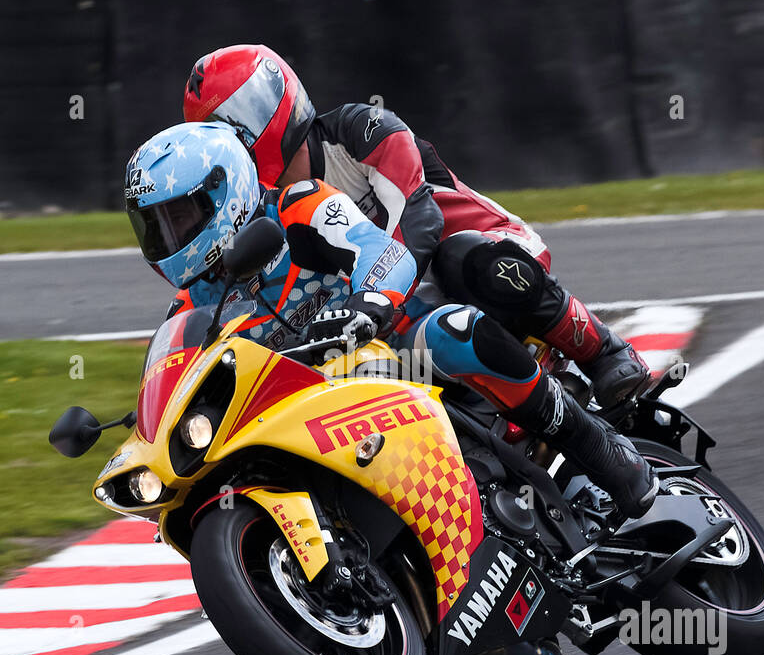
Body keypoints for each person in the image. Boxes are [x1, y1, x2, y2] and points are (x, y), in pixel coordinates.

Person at [126, 121, 656, 518]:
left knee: (455, 332)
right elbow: (175, 378)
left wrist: (372, 303)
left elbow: (382, 253)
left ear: (227, 194)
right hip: (314, 417)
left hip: (399, 359)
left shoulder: (301, 206)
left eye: (181, 216)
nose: (170, 238)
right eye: (157, 226)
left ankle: (599, 449)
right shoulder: (191, 308)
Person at [180, 43, 653, 413]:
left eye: (240, 120)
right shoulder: (261, 213)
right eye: (221, 131)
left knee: (461, 258)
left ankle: (604, 352)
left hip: (484, 251)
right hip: (389, 311)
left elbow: (420, 222)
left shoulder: (360, 130)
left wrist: (377, 301)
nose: (238, 138)